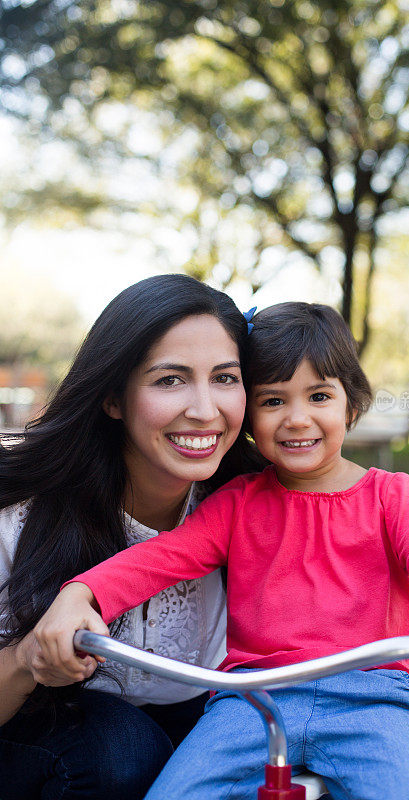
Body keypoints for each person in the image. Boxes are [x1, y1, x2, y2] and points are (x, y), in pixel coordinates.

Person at [36, 302, 409, 800]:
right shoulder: (238, 503)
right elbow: (160, 558)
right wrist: (84, 594)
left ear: (350, 406)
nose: (297, 419)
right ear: (248, 416)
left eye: (318, 396)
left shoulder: (391, 497)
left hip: (373, 700)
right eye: (273, 401)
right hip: (251, 700)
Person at [0, 274, 265, 799]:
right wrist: (30, 658)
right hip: (38, 743)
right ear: (113, 398)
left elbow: (352, 652)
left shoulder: (255, 508)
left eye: (225, 378)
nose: (205, 409)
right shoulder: (21, 514)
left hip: (189, 728)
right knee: (121, 752)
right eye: (170, 380)